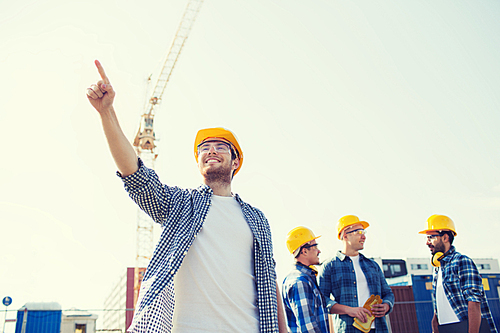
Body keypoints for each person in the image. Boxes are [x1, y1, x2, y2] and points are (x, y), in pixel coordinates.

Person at [86, 60, 287, 333]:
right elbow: (135, 175)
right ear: (198, 161)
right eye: (204, 148)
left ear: (236, 161)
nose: (211, 151)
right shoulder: (181, 204)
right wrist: (107, 114)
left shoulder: (257, 218)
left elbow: (268, 278)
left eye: (220, 147)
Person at [419, 214, 498, 333]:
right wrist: (435, 323)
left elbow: (474, 302)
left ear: (445, 238)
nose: (427, 242)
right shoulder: (437, 269)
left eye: (431, 237)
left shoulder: (462, 261)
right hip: (448, 329)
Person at [318, 215, 394, 333]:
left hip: (379, 329)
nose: (363, 237)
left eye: (364, 232)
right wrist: (349, 310)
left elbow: (388, 293)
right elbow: (322, 300)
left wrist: (386, 306)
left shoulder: (373, 266)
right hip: (348, 329)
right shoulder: (329, 266)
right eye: (359, 232)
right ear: (345, 235)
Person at [282, 227, 329, 333]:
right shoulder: (300, 282)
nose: (319, 251)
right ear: (304, 251)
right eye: (315, 246)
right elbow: (307, 327)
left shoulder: (302, 278)